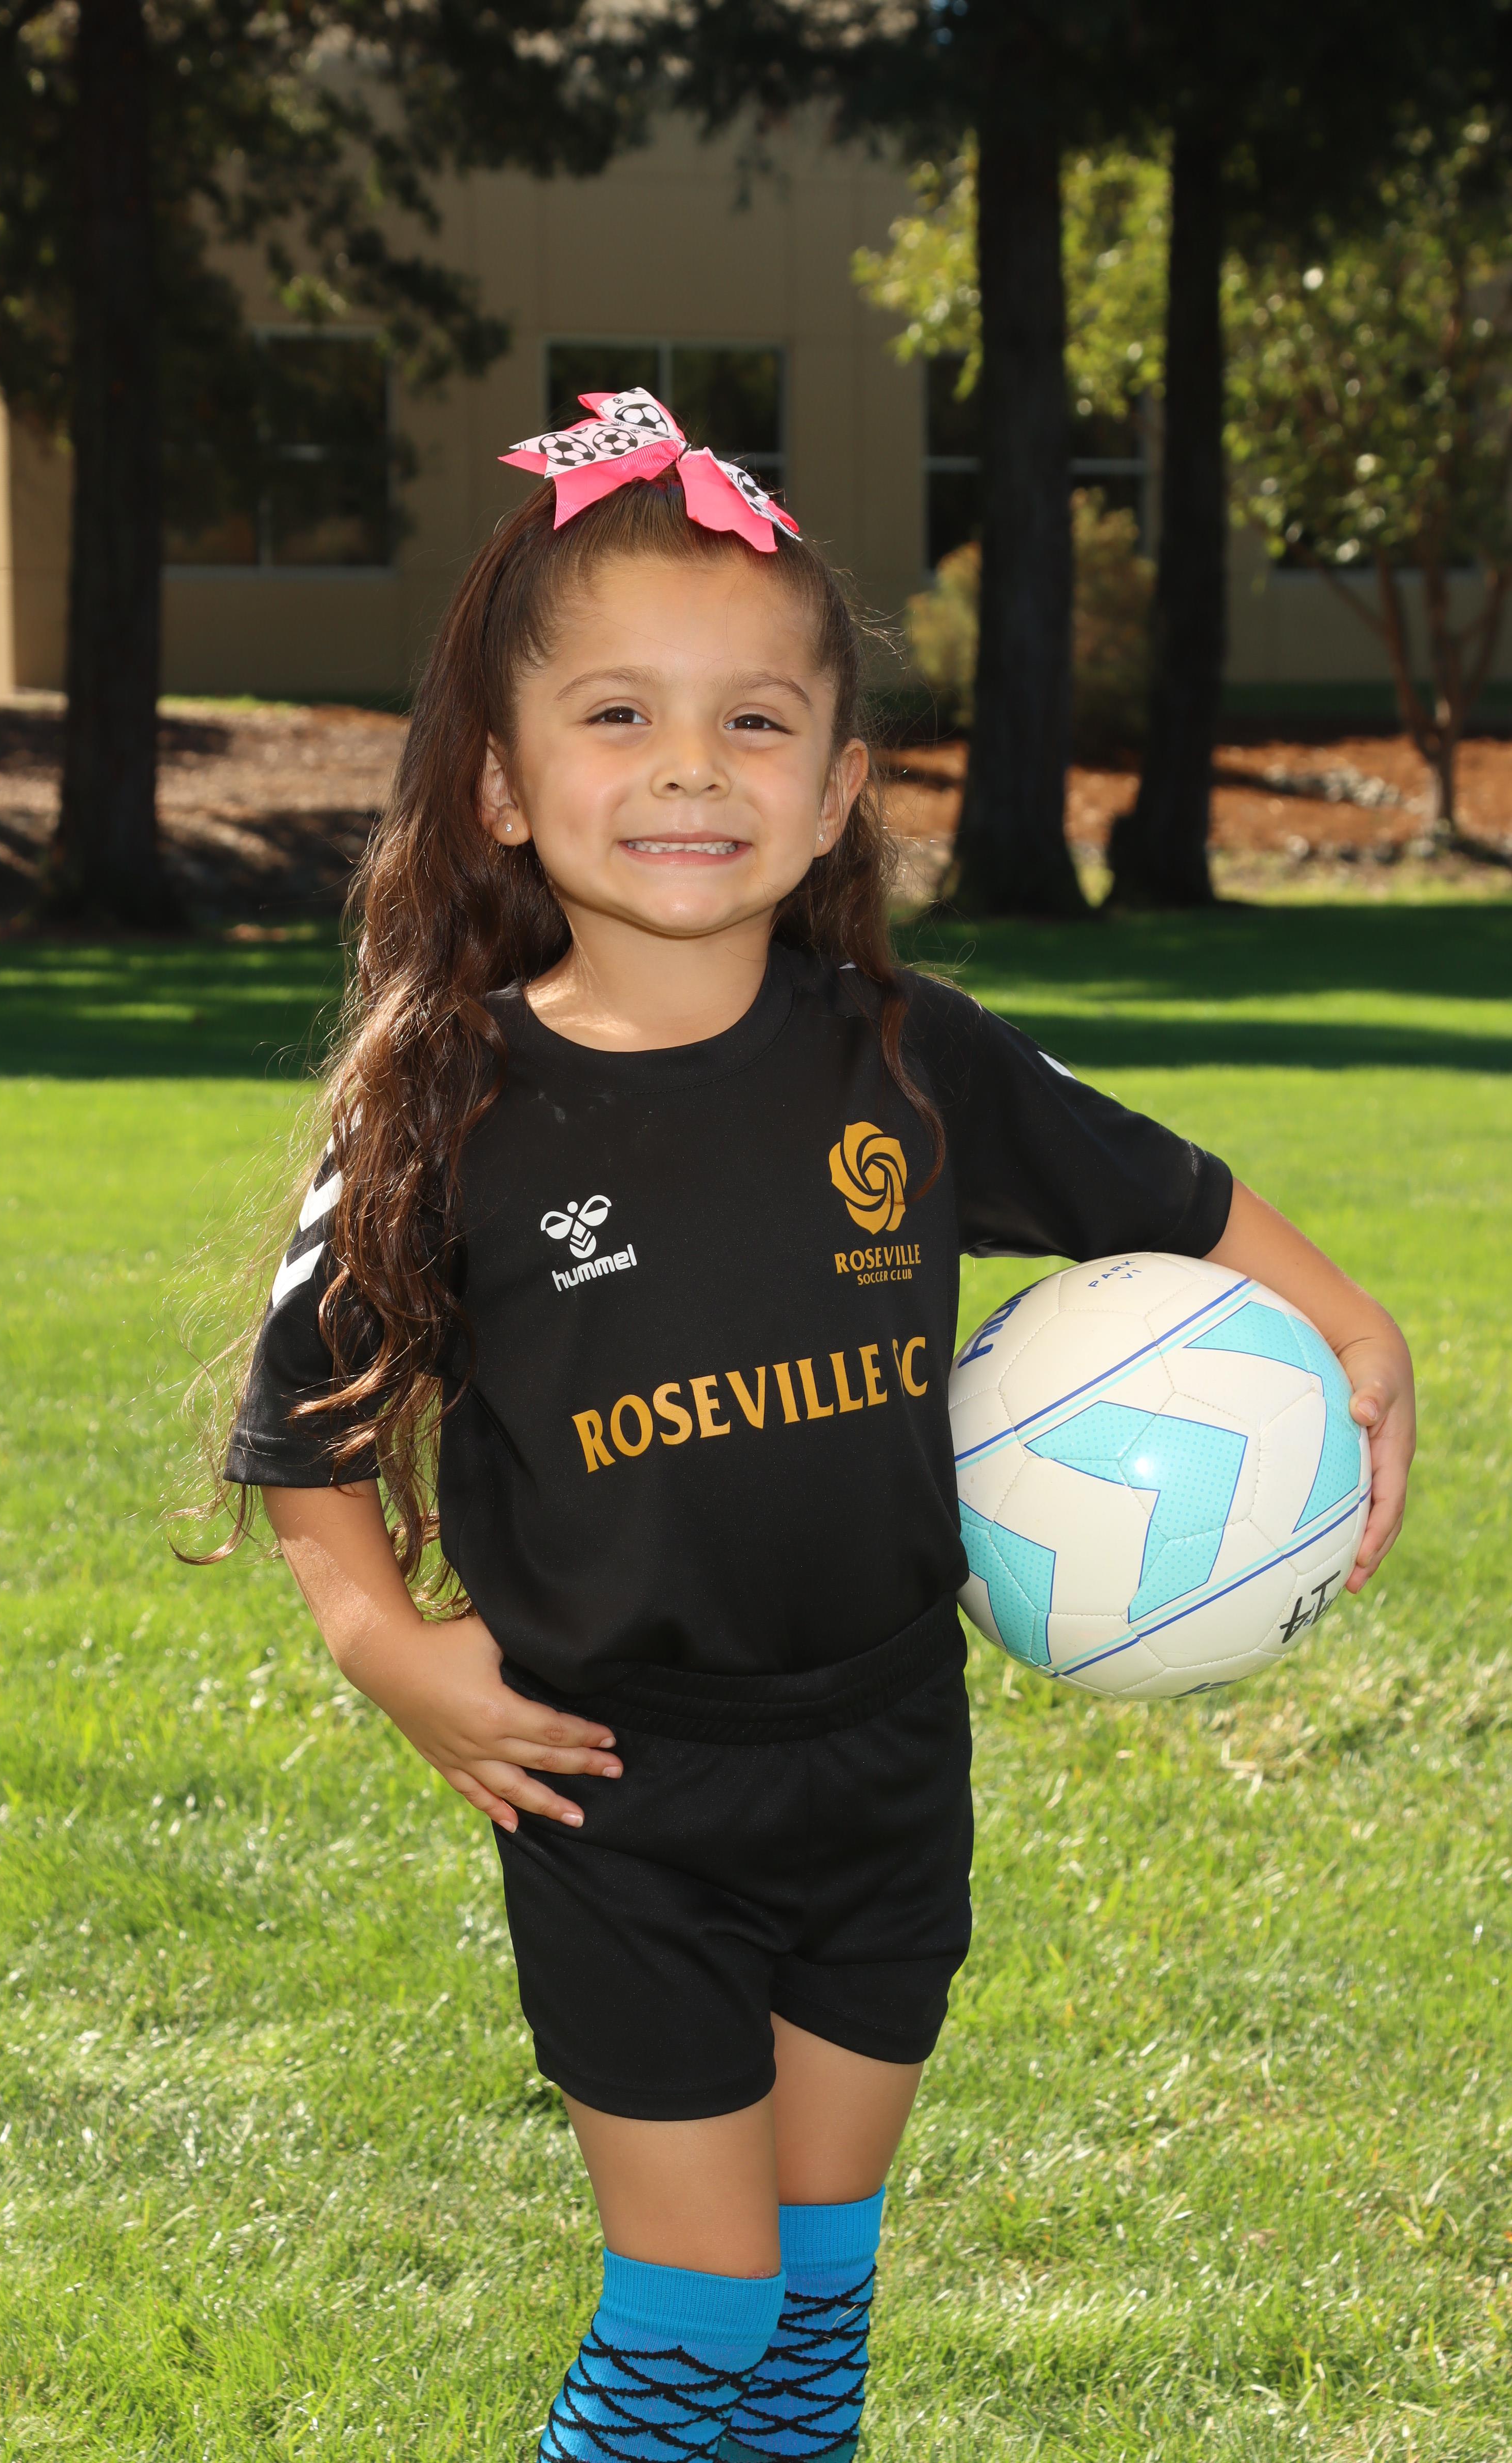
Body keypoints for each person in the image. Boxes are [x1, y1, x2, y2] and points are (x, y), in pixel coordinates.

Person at [214, 389, 1416, 2460]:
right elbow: (305, 1426)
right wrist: (387, 1648)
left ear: (842, 786)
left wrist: (1352, 1328)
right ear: (499, 784)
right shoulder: (440, 1105)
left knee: (810, 2305)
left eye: (755, 721)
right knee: (696, 2310)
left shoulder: (910, 1058)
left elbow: (1166, 1191)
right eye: (617, 715)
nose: (691, 764)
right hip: (617, 1794)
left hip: (884, 1767)